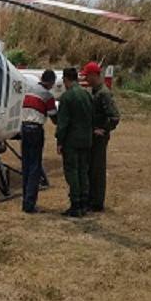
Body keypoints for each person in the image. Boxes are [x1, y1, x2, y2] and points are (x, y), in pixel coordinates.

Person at [55, 67, 93, 218]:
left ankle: (75, 204)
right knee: (83, 171)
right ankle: (84, 202)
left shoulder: (67, 97)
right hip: (86, 139)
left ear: (65, 79)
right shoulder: (87, 94)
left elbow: (63, 122)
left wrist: (59, 140)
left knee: (72, 171)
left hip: (72, 140)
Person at [82, 62, 121, 213]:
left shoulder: (103, 93)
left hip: (99, 138)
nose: (87, 79)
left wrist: (103, 130)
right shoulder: (96, 91)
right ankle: (92, 199)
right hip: (94, 136)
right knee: (92, 169)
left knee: (97, 170)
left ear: (94, 75)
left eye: (88, 76)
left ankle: (97, 202)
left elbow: (115, 116)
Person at [20, 69, 58, 214]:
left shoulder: (29, 89)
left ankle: (25, 201)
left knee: (26, 165)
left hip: (24, 128)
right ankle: (30, 204)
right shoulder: (47, 95)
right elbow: (54, 117)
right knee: (35, 167)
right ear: (51, 82)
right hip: (36, 130)